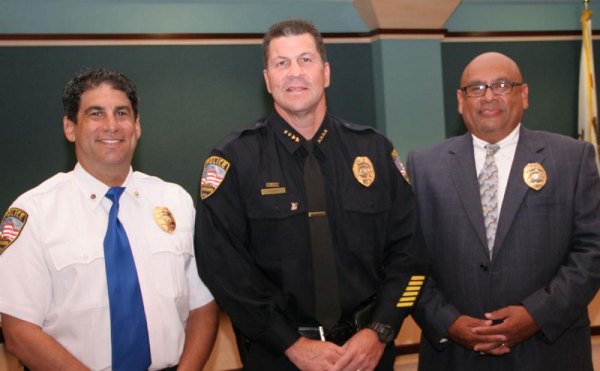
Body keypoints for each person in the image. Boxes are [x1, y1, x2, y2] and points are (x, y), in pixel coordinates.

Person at [194, 19, 428, 371]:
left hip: (367, 354)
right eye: (281, 63)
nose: (294, 73)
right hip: (277, 356)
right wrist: (291, 344)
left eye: (306, 60)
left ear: (326, 72)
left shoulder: (376, 151)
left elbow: (411, 255)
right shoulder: (234, 160)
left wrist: (380, 331)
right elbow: (225, 272)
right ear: (267, 79)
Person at [0, 68, 218, 370]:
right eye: (95, 114)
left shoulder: (175, 201)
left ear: (137, 125)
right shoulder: (33, 212)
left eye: (122, 113)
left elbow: (203, 305)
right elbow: (18, 331)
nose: (112, 126)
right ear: (70, 127)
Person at [407, 51, 600, 370]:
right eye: (477, 88)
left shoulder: (572, 158)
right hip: (455, 355)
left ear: (523, 95)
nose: (489, 96)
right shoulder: (424, 166)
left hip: (548, 350)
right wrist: (447, 321)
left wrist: (537, 315)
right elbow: (407, 260)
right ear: (460, 99)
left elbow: (592, 251)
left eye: (501, 85)